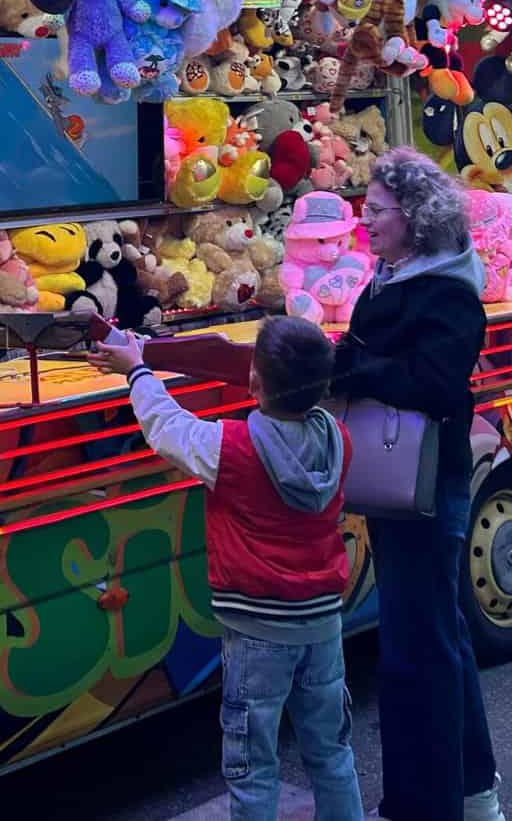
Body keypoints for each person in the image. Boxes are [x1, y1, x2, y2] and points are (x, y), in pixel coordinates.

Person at [88, 316, 365, 821]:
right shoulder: (338, 440)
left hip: (257, 633)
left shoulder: (232, 449)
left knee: (253, 765)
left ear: (254, 381)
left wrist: (137, 371)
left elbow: (167, 428)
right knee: (331, 753)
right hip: (322, 623)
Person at [331, 146, 505, 821]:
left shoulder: (447, 289)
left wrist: (357, 370)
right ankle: (473, 788)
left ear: (413, 215)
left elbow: (435, 383)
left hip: (428, 481)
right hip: (398, 477)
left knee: (415, 648)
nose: (364, 220)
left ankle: (423, 804)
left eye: (376, 209)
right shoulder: (395, 273)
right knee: (441, 633)